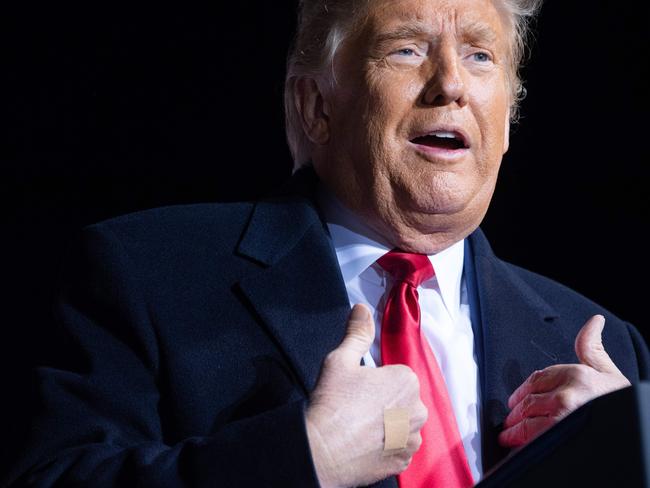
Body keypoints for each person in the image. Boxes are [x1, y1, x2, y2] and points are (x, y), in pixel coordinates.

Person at [5, 0, 649, 486]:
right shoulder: (145, 274)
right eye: (407, 50)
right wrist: (304, 456)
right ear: (316, 107)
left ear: (506, 121)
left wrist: (627, 455)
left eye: (481, 55)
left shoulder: (597, 342)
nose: (451, 83)